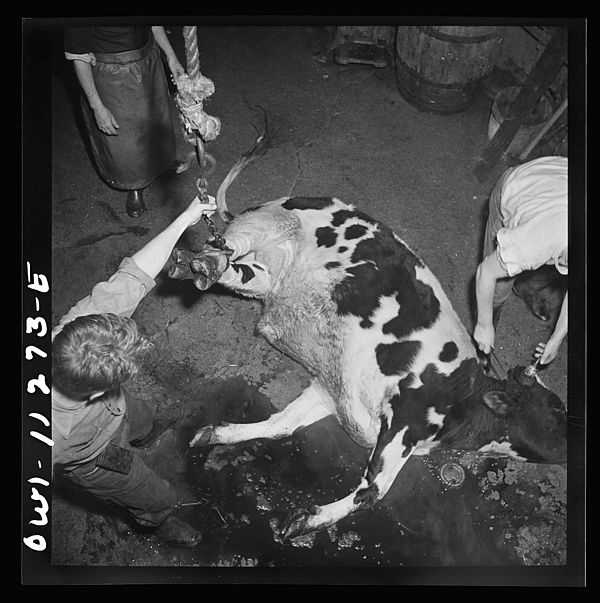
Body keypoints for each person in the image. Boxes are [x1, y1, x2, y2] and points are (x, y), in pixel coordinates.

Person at [52, 196, 217, 549]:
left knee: (140, 415)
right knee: (152, 492)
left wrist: (185, 218)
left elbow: (135, 273)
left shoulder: (78, 331)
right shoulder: (50, 437)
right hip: (92, 456)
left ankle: (145, 430)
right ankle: (157, 519)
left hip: (116, 409)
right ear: (96, 392)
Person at [64, 25, 187, 218]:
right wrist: (97, 106)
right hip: (112, 73)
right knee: (126, 138)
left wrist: (171, 56)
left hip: (148, 60)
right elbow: (79, 57)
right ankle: (134, 184)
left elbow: (154, 24)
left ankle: (160, 163)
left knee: (157, 117)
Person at [474, 155, 568, 366]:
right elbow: (485, 273)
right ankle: (482, 352)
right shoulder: (537, 241)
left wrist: (556, 338)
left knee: (532, 263)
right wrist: (483, 324)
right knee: (499, 287)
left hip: (555, 180)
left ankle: (527, 284)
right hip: (515, 186)